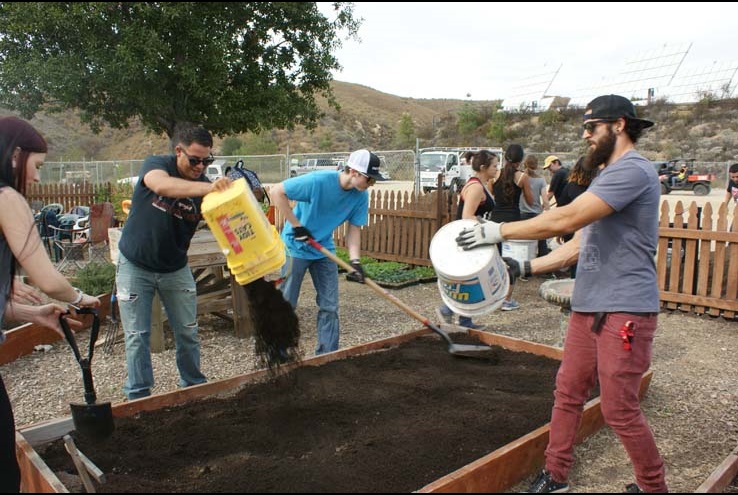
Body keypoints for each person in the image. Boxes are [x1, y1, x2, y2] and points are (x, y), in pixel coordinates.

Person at [456, 94, 667, 493]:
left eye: (592, 127)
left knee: (619, 407)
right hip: (588, 303)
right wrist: (525, 266)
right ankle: (555, 476)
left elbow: (566, 218)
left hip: (625, 308)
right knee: (567, 392)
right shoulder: (607, 177)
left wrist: (496, 231)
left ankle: (652, 486)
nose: (586, 135)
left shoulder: (634, 171)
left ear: (619, 125)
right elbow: (580, 242)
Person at [0, 116, 100, 492]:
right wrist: (79, 297)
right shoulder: (6, 197)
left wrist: (31, 313)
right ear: (14, 157)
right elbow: (46, 278)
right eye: (37, 166)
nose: (39, 177)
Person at [116, 125, 230, 400]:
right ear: (178, 151)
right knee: (137, 335)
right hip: (135, 264)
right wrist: (208, 187)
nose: (200, 166)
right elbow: (161, 185)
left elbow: (226, 224)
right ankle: (138, 396)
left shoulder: (204, 187)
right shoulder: (157, 165)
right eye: (194, 160)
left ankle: (193, 386)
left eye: (206, 161)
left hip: (175, 268)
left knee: (188, 332)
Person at [272, 149, 385, 355]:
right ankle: (279, 353)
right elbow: (276, 192)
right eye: (370, 179)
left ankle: (327, 354)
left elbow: (354, 229)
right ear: (354, 172)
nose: (371, 184)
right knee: (287, 303)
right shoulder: (318, 181)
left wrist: (355, 261)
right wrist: (296, 226)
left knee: (330, 305)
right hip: (294, 247)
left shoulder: (360, 197)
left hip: (323, 249)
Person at [438, 150, 498, 328]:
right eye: (494, 165)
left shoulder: (481, 184)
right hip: (467, 238)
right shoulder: (476, 187)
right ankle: (447, 310)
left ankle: (464, 319)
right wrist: (489, 225)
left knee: (469, 278)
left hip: (474, 237)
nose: (497, 169)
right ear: (483, 167)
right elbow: (466, 216)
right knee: (466, 279)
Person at [489, 143, 532, 311]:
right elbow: (530, 201)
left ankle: (493, 295)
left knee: (496, 259)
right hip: (513, 222)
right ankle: (506, 299)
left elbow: (492, 193)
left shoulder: (495, 175)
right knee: (511, 260)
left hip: (495, 220)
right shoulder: (522, 177)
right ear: (520, 160)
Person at [555, 156, 599, 278]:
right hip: (593, 232)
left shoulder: (570, 186)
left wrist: (560, 231)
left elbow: (561, 210)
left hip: (572, 229)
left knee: (575, 263)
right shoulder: (597, 188)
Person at [519, 154, 551, 260]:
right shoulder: (541, 180)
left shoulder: (520, 177)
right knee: (542, 241)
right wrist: (547, 210)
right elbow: (545, 201)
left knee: (523, 242)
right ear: (537, 166)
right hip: (536, 213)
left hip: (522, 213)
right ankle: (544, 265)